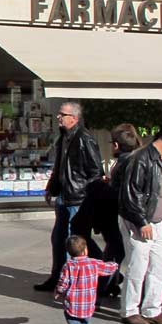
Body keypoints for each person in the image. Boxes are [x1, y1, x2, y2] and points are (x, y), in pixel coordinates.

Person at [117, 121, 162, 324]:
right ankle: (130, 310)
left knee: (160, 266)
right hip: (140, 222)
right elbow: (131, 194)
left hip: (157, 222)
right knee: (137, 265)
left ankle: (152, 309)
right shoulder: (141, 159)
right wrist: (141, 222)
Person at [34, 101, 103, 291]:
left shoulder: (84, 139)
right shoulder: (64, 137)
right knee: (59, 239)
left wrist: (87, 197)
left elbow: (96, 171)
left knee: (78, 241)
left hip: (77, 199)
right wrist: (51, 187)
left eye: (62, 114)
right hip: (65, 196)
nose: (59, 117)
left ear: (74, 118)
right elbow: (60, 167)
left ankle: (105, 272)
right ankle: (57, 277)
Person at [70, 122, 140, 298]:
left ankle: (102, 286)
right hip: (115, 215)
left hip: (116, 215)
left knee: (115, 253)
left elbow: (124, 192)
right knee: (115, 252)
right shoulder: (131, 159)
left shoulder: (126, 162)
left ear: (116, 145)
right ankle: (108, 282)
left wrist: (104, 186)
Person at [54, 235, 119, 324]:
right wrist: (115, 264)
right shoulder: (94, 263)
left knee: (73, 320)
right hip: (89, 302)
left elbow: (63, 282)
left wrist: (58, 291)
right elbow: (107, 268)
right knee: (85, 320)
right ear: (85, 250)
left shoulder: (68, 265)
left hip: (73, 302)